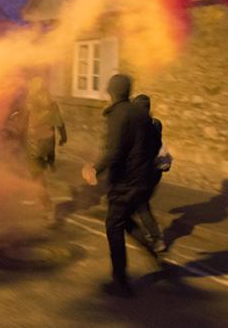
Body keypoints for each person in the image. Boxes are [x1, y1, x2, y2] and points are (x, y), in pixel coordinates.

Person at [83, 74, 160, 297]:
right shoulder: (141, 113)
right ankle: (150, 248)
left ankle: (120, 282)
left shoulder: (119, 114)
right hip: (142, 181)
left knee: (113, 225)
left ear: (112, 92)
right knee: (124, 219)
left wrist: (95, 168)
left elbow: (114, 151)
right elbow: (154, 144)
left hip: (125, 182)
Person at [24, 76, 67, 221]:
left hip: (34, 144)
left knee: (37, 176)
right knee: (39, 174)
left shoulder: (31, 102)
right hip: (48, 144)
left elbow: (23, 122)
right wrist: (63, 137)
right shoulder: (52, 103)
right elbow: (60, 123)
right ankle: (42, 200)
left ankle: (48, 209)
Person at [132, 94, 170, 253]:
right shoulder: (156, 124)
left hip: (144, 173)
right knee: (140, 204)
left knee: (141, 206)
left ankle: (156, 239)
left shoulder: (138, 127)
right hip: (154, 174)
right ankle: (153, 236)